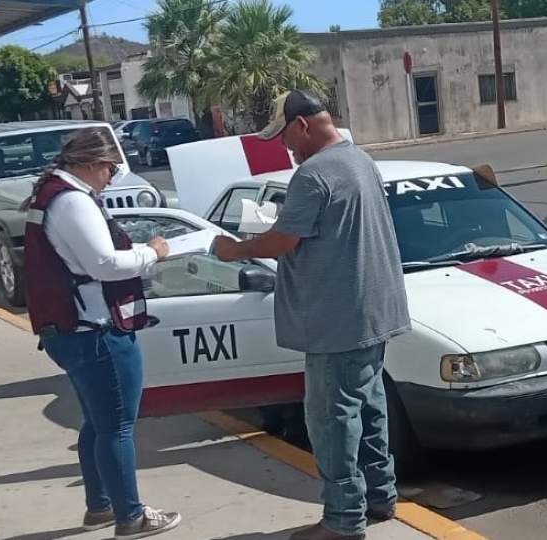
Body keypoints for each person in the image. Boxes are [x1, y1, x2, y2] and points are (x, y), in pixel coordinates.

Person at [214, 90, 411, 540]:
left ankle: (343, 522)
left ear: (302, 124)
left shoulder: (314, 172)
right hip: (373, 312)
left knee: (331, 419)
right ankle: (381, 497)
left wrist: (235, 249)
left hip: (335, 321)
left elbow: (283, 241)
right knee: (369, 408)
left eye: (284, 136)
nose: (285, 146)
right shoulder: (361, 160)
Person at [23, 127, 181, 540]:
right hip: (95, 331)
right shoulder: (73, 201)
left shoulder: (54, 194)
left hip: (70, 329)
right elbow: (105, 265)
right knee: (117, 427)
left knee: (98, 421)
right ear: (92, 163)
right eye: (111, 168)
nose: (112, 177)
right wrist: (154, 253)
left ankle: (101, 507)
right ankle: (131, 517)